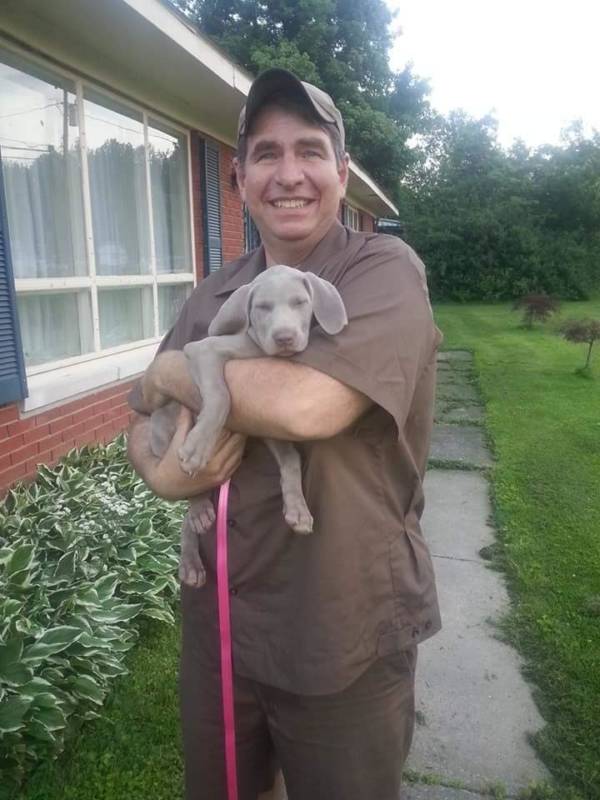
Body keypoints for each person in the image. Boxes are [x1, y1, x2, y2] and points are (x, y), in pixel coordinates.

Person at [127, 68, 442, 800]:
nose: (289, 174)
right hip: (222, 620)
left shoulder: (381, 271)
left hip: (341, 622)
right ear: (238, 178)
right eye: (266, 154)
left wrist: (182, 370)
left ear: (341, 170)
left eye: (309, 150)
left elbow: (307, 407)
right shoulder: (217, 291)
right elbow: (137, 414)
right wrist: (163, 475)